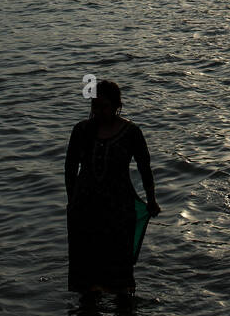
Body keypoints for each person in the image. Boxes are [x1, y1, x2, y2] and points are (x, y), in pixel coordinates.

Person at [65, 81, 160, 300]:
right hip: (85, 206)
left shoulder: (131, 132)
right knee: (87, 270)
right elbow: (70, 168)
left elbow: (144, 167)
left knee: (120, 266)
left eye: (104, 106)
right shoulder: (81, 130)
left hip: (119, 205)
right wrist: (72, 201)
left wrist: (151, 200)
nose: (99, 112)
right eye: (95, 106)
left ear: (117, 105)